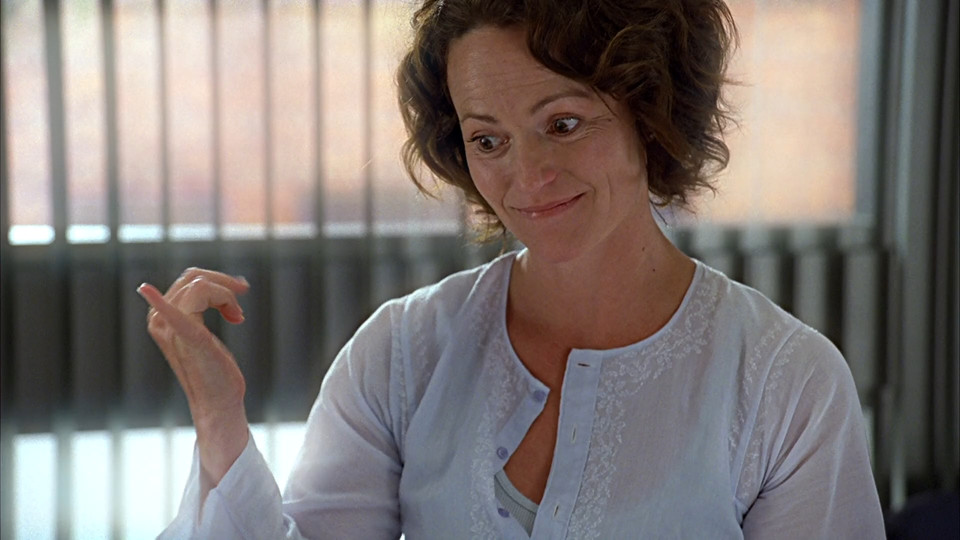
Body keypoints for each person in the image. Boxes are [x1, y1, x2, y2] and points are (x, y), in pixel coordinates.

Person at [138, 0, 886, 537]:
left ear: (652, 115)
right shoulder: (403, 353)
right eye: (488, 140)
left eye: (563, 123)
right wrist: (220, 423)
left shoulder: (786, 382)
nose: (527, 177)